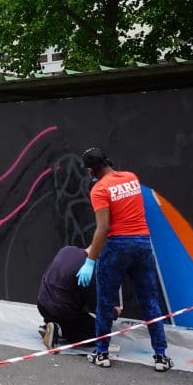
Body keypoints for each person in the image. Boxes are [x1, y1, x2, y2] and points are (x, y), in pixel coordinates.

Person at [77, 147, 173, 372]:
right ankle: (160, 356)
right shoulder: (132, 178)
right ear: (107, 161)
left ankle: (101, 353)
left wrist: (90, 260)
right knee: (150, 301)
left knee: (105, 301)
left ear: (91, 171)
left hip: (116, 246)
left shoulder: (99, 189)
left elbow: (103, 228)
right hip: (142, 243)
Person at [37, 246, 121, 349]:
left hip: (42, 305)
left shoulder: (67, 249)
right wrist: (114, 312)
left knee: (64, 302)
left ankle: (49, 324)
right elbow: (97, 306)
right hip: (62, 311)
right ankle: (59, 331)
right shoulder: (89, 272)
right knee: (99, 333)